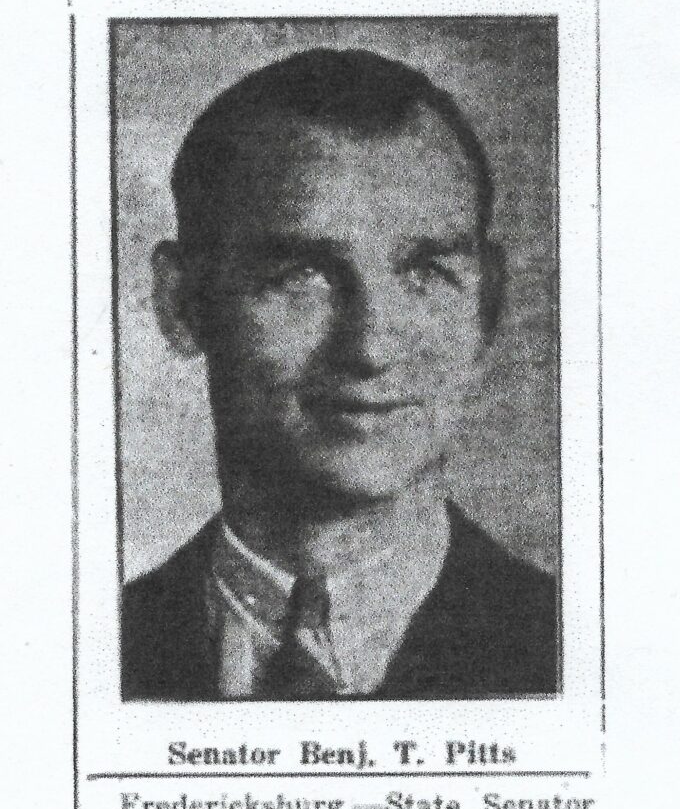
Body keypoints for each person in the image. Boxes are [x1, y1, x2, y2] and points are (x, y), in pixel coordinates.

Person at [121, 47, 558, 701]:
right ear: (183, 304)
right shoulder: (85, 650)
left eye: (427, 273)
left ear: (486, 305)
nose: (371, 348)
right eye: (302, 275)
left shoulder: (574, 646)